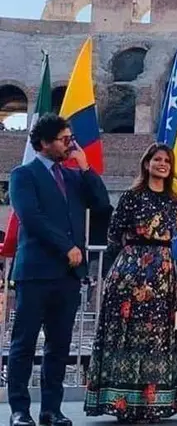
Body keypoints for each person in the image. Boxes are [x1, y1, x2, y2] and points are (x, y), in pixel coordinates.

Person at [7, 113, 111, 426]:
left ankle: (51, 410)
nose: (71, 144)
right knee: (24, 344)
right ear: (44, 143)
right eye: (65, 139)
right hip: (37, 272)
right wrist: (66, 247)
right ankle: (20, 411)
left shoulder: (74, 177)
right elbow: (32, 217)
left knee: (59, 346)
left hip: (67, 277)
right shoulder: (23, 175)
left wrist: (86, 168)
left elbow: (103, 206)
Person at [84, 143, 177, 422]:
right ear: (146, 163)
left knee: (156, 337)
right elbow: (115, 233)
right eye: (157, 159)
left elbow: (171, 234)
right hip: (131, 271)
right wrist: (135, 258)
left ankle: (153, 403)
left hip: (163, 272)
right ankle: (123, 402)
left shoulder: (173, 200)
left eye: (166, 160)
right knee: (127, 334)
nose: (162, 164)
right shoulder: (131, 196)